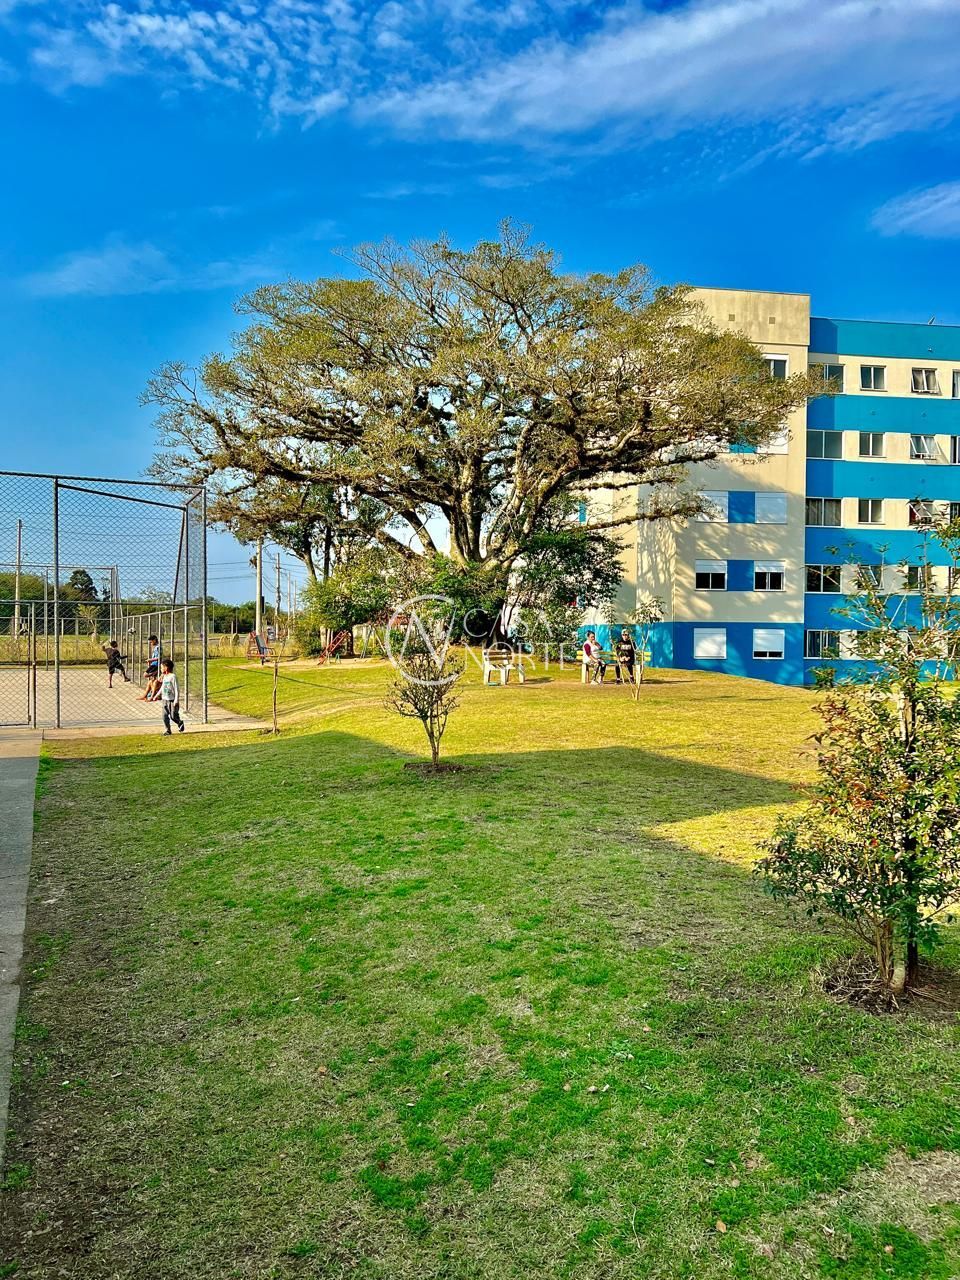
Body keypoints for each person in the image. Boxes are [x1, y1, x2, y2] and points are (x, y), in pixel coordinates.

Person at [158, 659, 185, 735]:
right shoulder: (164, 676)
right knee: (164, 716)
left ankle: (179, 722)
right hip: (165, 700)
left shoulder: (173, 676)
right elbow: (163, 687)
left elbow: (176, 689)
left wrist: (176, 700)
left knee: (173, 716)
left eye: (161, 667)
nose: (160, 669)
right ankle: (168, 730)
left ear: (166, 668)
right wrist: (156, 695)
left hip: (172, 700)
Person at [141, 634, 162, 701]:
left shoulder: (158, 647)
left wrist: (150, 660)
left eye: (151, 642)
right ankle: (148, 695)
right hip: (153, 664)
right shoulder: (156, 647)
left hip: (155, 665)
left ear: (155, 640)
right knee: (152, 681)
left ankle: (156, 672)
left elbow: (159, 657)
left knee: (145, 675)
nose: (150, 643)